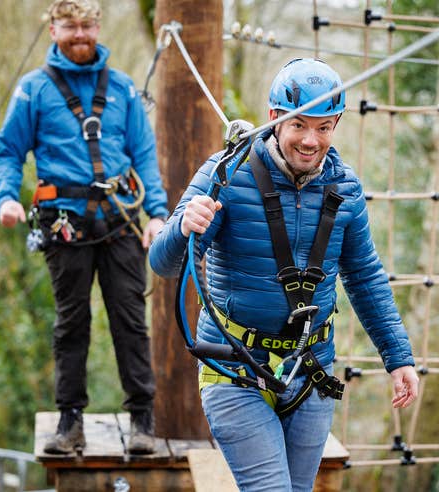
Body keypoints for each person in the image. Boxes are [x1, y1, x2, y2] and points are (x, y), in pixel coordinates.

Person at [150, 58, 420, 490]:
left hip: (309, 368)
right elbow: (163, 265)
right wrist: (183, 226)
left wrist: (398, 357)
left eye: (324, 127)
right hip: (234, 366)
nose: (311, 141)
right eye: (300, 126)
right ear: (275, 119)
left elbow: (366, 277)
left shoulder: (345, 189)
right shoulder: (226, 174)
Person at [0, 0, 168, 455]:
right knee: (72, 323)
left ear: (98, 27)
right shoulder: (33, 91)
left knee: (130, 320)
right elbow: (8, 151)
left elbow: (144, 154)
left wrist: (159, 215)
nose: (79, 34)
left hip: (120, 219)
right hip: (64, 222)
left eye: (87, 25)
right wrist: (7, 197)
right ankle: (70, 423)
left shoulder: (124, 89)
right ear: (53, 29)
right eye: (69, 26)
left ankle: (143, 422)